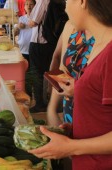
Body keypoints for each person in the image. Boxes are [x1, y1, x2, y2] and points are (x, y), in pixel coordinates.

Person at [29, 0, 112, 169]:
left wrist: (70, 147)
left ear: (82, 2)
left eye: (67, 1)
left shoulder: (109, 54)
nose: (65, 8)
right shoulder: (100, 46)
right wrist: (77, 129)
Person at [47, 21, 95, 126]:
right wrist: (52, 109)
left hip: (95, 116)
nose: (66, 8)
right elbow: (63, 71)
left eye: (70, 3)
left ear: (83, 3)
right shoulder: (71, 27)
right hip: (69, 112)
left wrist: (79, 90)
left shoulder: (106, 36)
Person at [27, 0, 56, 112]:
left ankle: (40, 103)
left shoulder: (43, 1)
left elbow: (33, 22)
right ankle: (50, 101)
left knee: (37, 74)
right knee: (48, 73)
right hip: (50, 43)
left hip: (39, 43)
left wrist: (29, 20)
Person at [14, 0, 36, 66]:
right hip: (22, 50)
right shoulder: (21, 19)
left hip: (34, 51)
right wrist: (17, 27)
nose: (29, 6)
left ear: (35, 6)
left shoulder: (37, 19)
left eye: (31, 4)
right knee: (24, 70)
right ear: (24, 7)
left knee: (32, 72)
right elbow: (15, 33)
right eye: (26, 4)